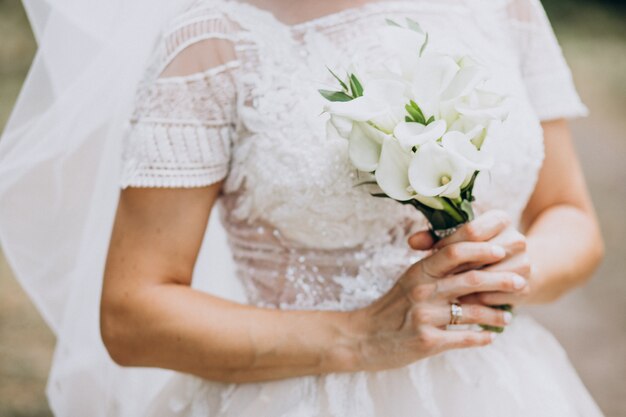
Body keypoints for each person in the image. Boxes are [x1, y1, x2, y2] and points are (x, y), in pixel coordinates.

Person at [0, 0, 606, 415]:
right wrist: (362, 335)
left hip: (501, 387)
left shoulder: (503, 7)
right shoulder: (215, 39)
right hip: (297, 398)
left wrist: (507, 270)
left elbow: (571, 217)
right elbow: (132, 315)